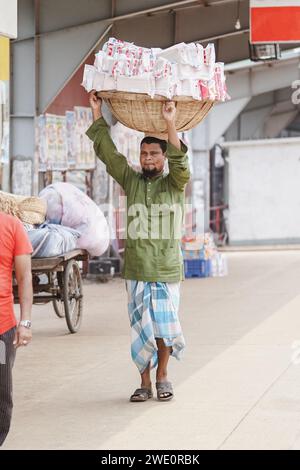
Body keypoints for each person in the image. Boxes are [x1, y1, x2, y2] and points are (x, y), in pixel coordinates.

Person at [87, 91, 190, 402]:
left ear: (163, 158)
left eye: (153, 154)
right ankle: (144, 382)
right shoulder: (130, 181)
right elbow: (109, 154)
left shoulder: (175, 183)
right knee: (140, 328)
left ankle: (163, 376)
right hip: (135, 269)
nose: (147, 158)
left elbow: (180, 162)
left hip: (167, 268)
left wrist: (169, 122)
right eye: (144, 153)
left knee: (164, 327)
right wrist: (97, 113)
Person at [0, 211, 33, 446]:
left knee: (1, 395)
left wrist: (25, 322)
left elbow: (24, 277)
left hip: (1, 330)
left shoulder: (12, 226)